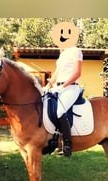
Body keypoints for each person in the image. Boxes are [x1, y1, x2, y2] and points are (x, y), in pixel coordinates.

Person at [43, 22, 83, 157]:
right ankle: (53, 140)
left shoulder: (76, 51)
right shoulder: (62, 54)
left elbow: (77, 73)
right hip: (58, 87)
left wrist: (63, 86)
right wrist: (47, 87)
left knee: (60, 112)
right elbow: (56, 74)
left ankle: (67, 144)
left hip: (71, 87)